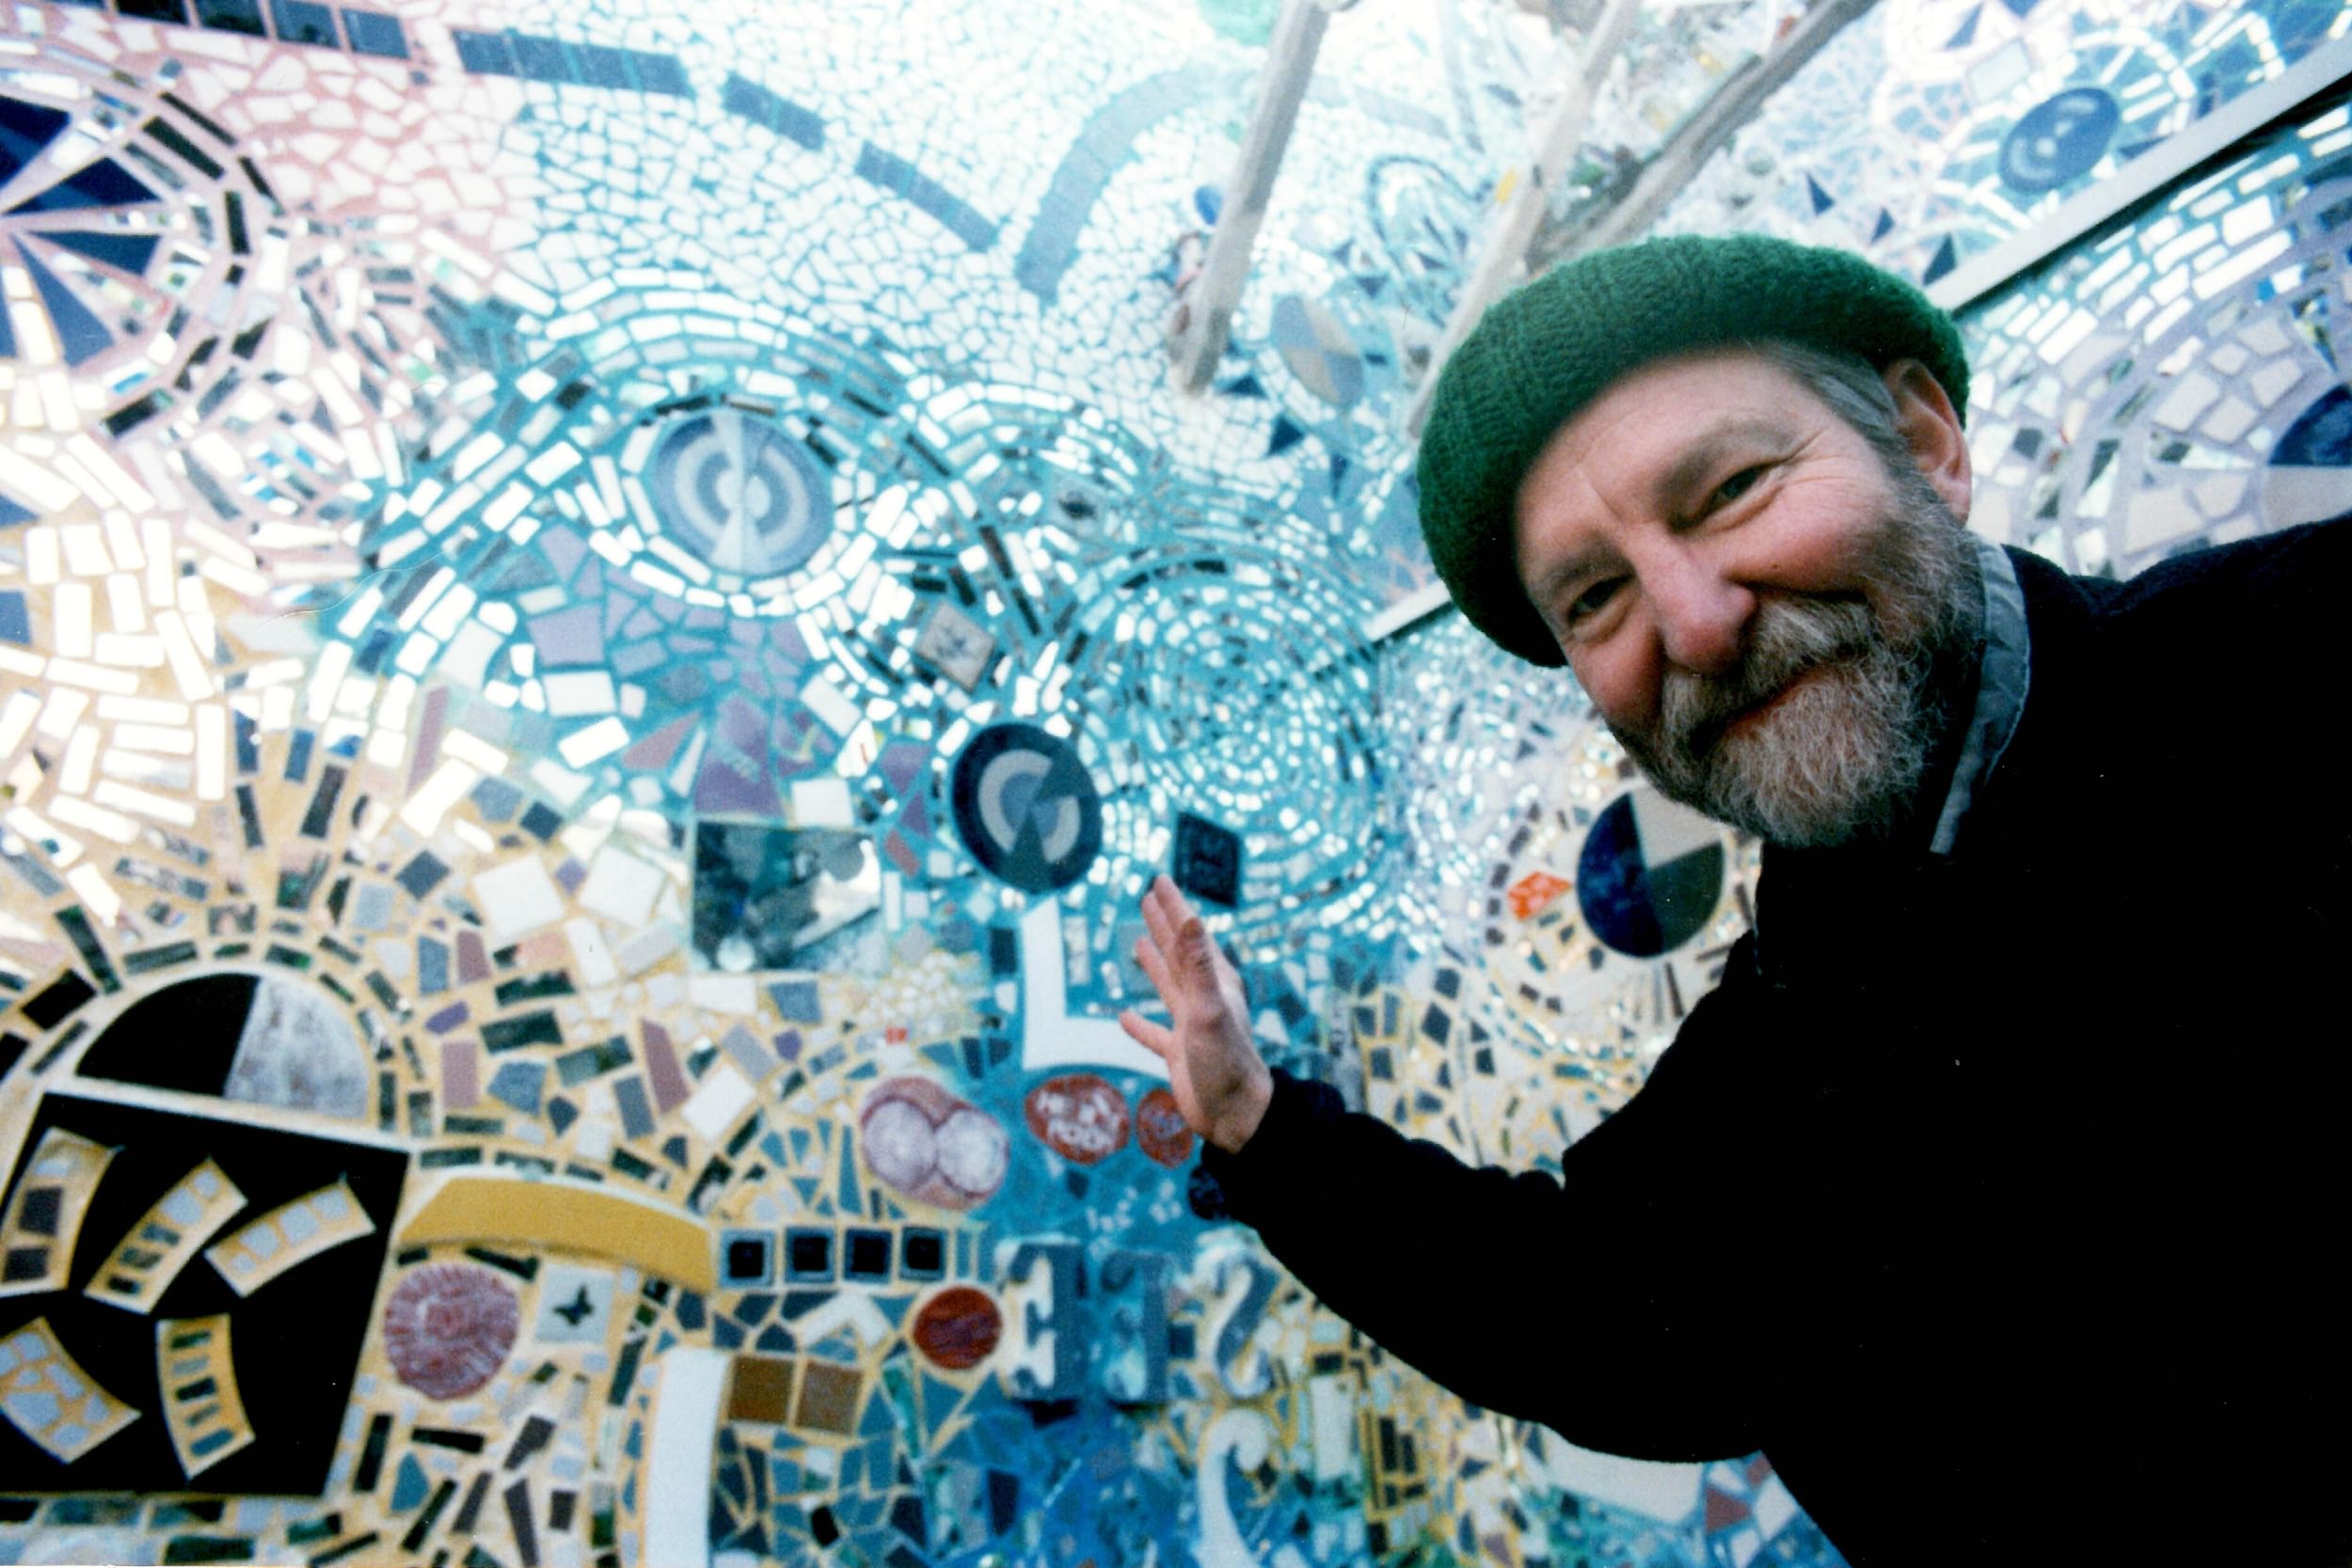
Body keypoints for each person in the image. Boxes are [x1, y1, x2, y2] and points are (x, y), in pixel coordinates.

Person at [1120, 233, 2351, 1566]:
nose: (1695, 622)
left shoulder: (2306, 661)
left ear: (1926, 439)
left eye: (1733, 490)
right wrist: (1260, 1129)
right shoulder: (1786, 1024)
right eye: (1598, 596)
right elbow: (1604, 1317)